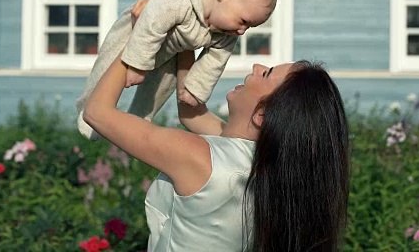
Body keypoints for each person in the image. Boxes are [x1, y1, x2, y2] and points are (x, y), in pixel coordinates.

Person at [83, 30, 350, 250]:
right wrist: (186, 34)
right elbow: (190, 111)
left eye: (266, 74)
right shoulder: (264, 167)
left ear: (262, 114)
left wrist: (144, 34)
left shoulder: (198, 156)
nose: (257, 67)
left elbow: (97, 112)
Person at [76, 0, 278, 140]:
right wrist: (138, 64)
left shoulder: (226, 31)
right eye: (243, 21)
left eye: (249, 27)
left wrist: (195, 89)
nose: (242, 31)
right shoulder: (178, 0)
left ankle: (135, 123)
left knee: (158, 91)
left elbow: (215, 62)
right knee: (107, 66)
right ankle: (87, 113)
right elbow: (151, 23)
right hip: (136, 34)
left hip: (171, 52)